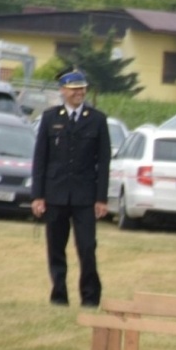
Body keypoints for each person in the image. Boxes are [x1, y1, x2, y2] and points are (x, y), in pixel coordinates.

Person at [31, 70, 112, 307]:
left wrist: (101, 198)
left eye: (82, 88)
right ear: (63, 90)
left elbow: (103, 162)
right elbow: (40, 159)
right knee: (56, 249)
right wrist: (38, 196)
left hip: (84, 197)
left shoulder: (97, 119)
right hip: (55, 195)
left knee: (87, 248)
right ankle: (59, 295)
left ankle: (90, 297)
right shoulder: (50, 118)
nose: (79, 93)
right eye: (74, 89)